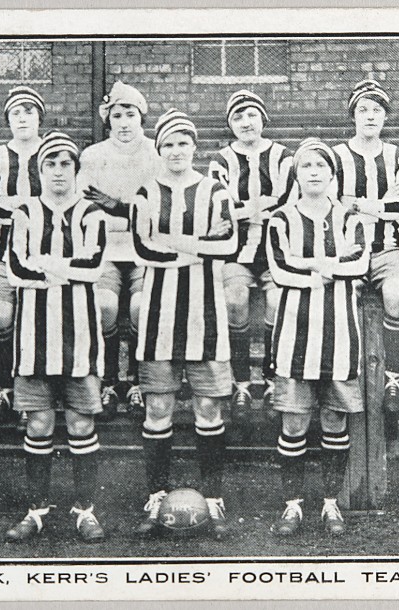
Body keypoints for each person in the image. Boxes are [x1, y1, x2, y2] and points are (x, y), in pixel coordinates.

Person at [127, 109, 238, 539]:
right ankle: (156, 496)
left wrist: (172, 243)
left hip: (205, 314)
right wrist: (197, 247)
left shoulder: (215, 190)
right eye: (168, 144)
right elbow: (141, 248)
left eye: (183, 143)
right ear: (160, 150)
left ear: (195, 147)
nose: (176, 150)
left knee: (209, 409)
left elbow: (228, 242)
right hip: (159, 315)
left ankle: (213, 497)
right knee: (158, 410)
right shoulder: (146, 192)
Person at [3, 132, 108, 543]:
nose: (59, 170)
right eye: (51, 164)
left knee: (81, 425)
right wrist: (62, 267)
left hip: (79, 337)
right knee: (40, 424)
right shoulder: (24, 212)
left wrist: (44, 264)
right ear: (40, 170)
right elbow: (15, 269)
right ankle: (36, 512)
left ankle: (85, 511)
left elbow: (93, 267)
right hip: (33, 340)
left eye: (66, 163)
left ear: (76, 170)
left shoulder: (91, 213)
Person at [265, 139, 371, 537]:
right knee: (293, 424)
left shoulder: (350, 218)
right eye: (305, 165)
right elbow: (280, 269)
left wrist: (309, 262)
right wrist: (327, 266)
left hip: (340, 333)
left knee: (333, 421)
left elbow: (359, 262)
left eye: (320, 165)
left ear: (332, 173)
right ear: (296, 173)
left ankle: (330, 504)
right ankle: (292, 506)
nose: (313, 171)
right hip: (295, 333)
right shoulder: (281, 219)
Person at [329, 80, 399, 434]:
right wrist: (381, 205)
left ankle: (394, 378)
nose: (370, 116)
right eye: (363, 109)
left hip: (387, 250)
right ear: (353, 115)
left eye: (377, 110)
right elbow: (332, 204)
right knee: (338, 303)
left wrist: (358, 202)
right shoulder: (335, 156)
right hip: (346, 249)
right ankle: (344, 378)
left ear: (385, 117)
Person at [79, 81, 161, 419]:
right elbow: (87, 207)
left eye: (130, 114)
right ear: (107, 120)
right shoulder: (94, 155)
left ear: (141, 117)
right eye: (117, 115)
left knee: (142, 307)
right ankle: (110, 381)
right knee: (104, 305)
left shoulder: (156, 153)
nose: (124, 122)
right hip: (107, 250)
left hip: (146, 251)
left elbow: (158, 210)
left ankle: (140, 382)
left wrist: (116, 207)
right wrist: (126, 212)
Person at [208, 89, 294, 413]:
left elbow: (289, 203)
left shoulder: (284, 157)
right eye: (238, 117)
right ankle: (241, 383)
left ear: (263, 120)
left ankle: (271, 381)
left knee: (276, 300)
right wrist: (255, 209)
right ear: (231, 124)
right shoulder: (221, 160)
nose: (246, 122)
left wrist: (243, 208)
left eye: (252, 115)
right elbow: (219, 208)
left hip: (277, 249)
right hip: (237, 249)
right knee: (235, 300)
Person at [0, 86, 46, 424]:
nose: (22, 117)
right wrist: (33, 209)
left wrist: (15, 207)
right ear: (7, 119)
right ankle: (4, 390)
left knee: (36, 322)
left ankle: (32, 397)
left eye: (28, 111)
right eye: (15, 112)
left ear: (39, 117)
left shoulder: (52, 153)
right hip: (1, 252)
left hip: (44, 254)